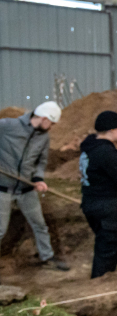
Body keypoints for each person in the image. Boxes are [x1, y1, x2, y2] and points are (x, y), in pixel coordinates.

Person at [0, 101, 69, 271]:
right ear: (44, 118)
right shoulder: (8, 126)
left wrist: (38, 178)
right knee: (0, 230)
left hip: (26, 188)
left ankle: (48, 257)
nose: (51, 127)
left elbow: (41, 160)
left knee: (39, 225)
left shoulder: (43, 137)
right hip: (2, 188)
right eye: (51, 123)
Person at [79, 111, 117, 278]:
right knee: (110, 248)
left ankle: (100, 280)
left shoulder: (89, 147)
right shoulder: (105, 152)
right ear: (111, 130)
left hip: (91, 202)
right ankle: (99, 287)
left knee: (104, 245)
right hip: (107, 205)